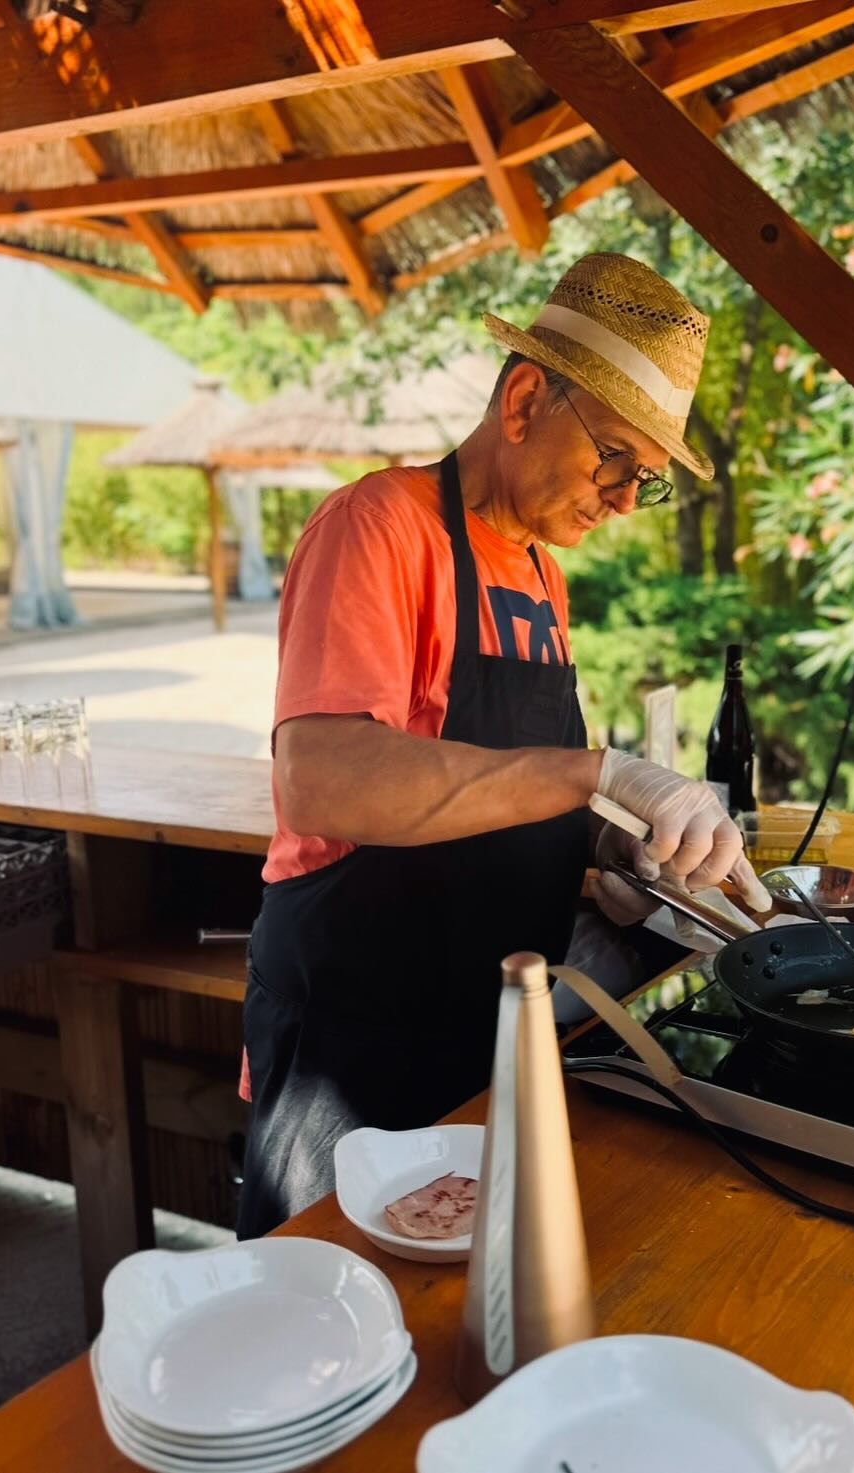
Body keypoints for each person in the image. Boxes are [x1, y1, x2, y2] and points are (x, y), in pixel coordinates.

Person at [237, 252, 770, 1238]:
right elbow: (321, 779)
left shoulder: (538, 575)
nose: (619, 500)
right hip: (358, 1036)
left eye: (642, 483)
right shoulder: (381, 528)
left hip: (484, 1019)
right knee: (338, 1317)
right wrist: (602, 772)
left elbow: (502, 788)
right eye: (616, 459)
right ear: (525, 399)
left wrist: (614, 842)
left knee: (470, 1329)